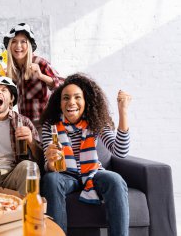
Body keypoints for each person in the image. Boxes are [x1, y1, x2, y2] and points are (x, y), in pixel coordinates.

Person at [40, 73, 132, 235]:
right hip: (65, 175)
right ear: (60, 103)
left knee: (115, 179)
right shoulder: (51, 126)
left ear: (86, 101)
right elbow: (50, 165)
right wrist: (51, 161)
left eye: (77, 97)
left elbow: (120, 151)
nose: (71, 102)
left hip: (92, 172)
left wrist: (122, 112)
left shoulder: (96, 121)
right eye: (66, 98)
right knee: (51, 179)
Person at [4, 23, 64, 134]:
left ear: (30, 45)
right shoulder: (14, 70)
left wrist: (41, 76)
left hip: (46, 125)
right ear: (9, 46)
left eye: (23, 41)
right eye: (14, 41)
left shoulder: (39, 62)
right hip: (27, 127)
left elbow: (64, 86)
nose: (18, 46)